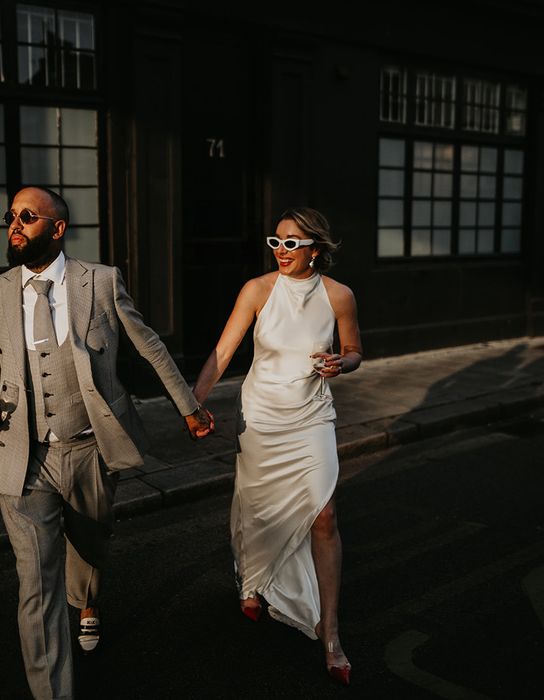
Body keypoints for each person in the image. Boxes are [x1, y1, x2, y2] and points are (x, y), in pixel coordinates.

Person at [0, 186, 214, 699]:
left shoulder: (100, 282)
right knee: (36, 583)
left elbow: (150, 346)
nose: (15, 224)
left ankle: (89, 601)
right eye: (10, 216)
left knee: (91, 542)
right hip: (22, 454)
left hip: (87, 448)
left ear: (57, 229)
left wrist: (188, 407)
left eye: (28, 217)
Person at [191, 207, 362, 686]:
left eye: (292, 242)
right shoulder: (257, 290)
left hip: (311, 417)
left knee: (324, 516)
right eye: (276, 241)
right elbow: (224, 351)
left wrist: (340, 365)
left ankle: (330, 635)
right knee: (257, 504)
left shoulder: (339, 296)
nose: (281, 251)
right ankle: (253, 579)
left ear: (316, 248)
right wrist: (193, 403)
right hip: (261, 416)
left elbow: (355, 353)